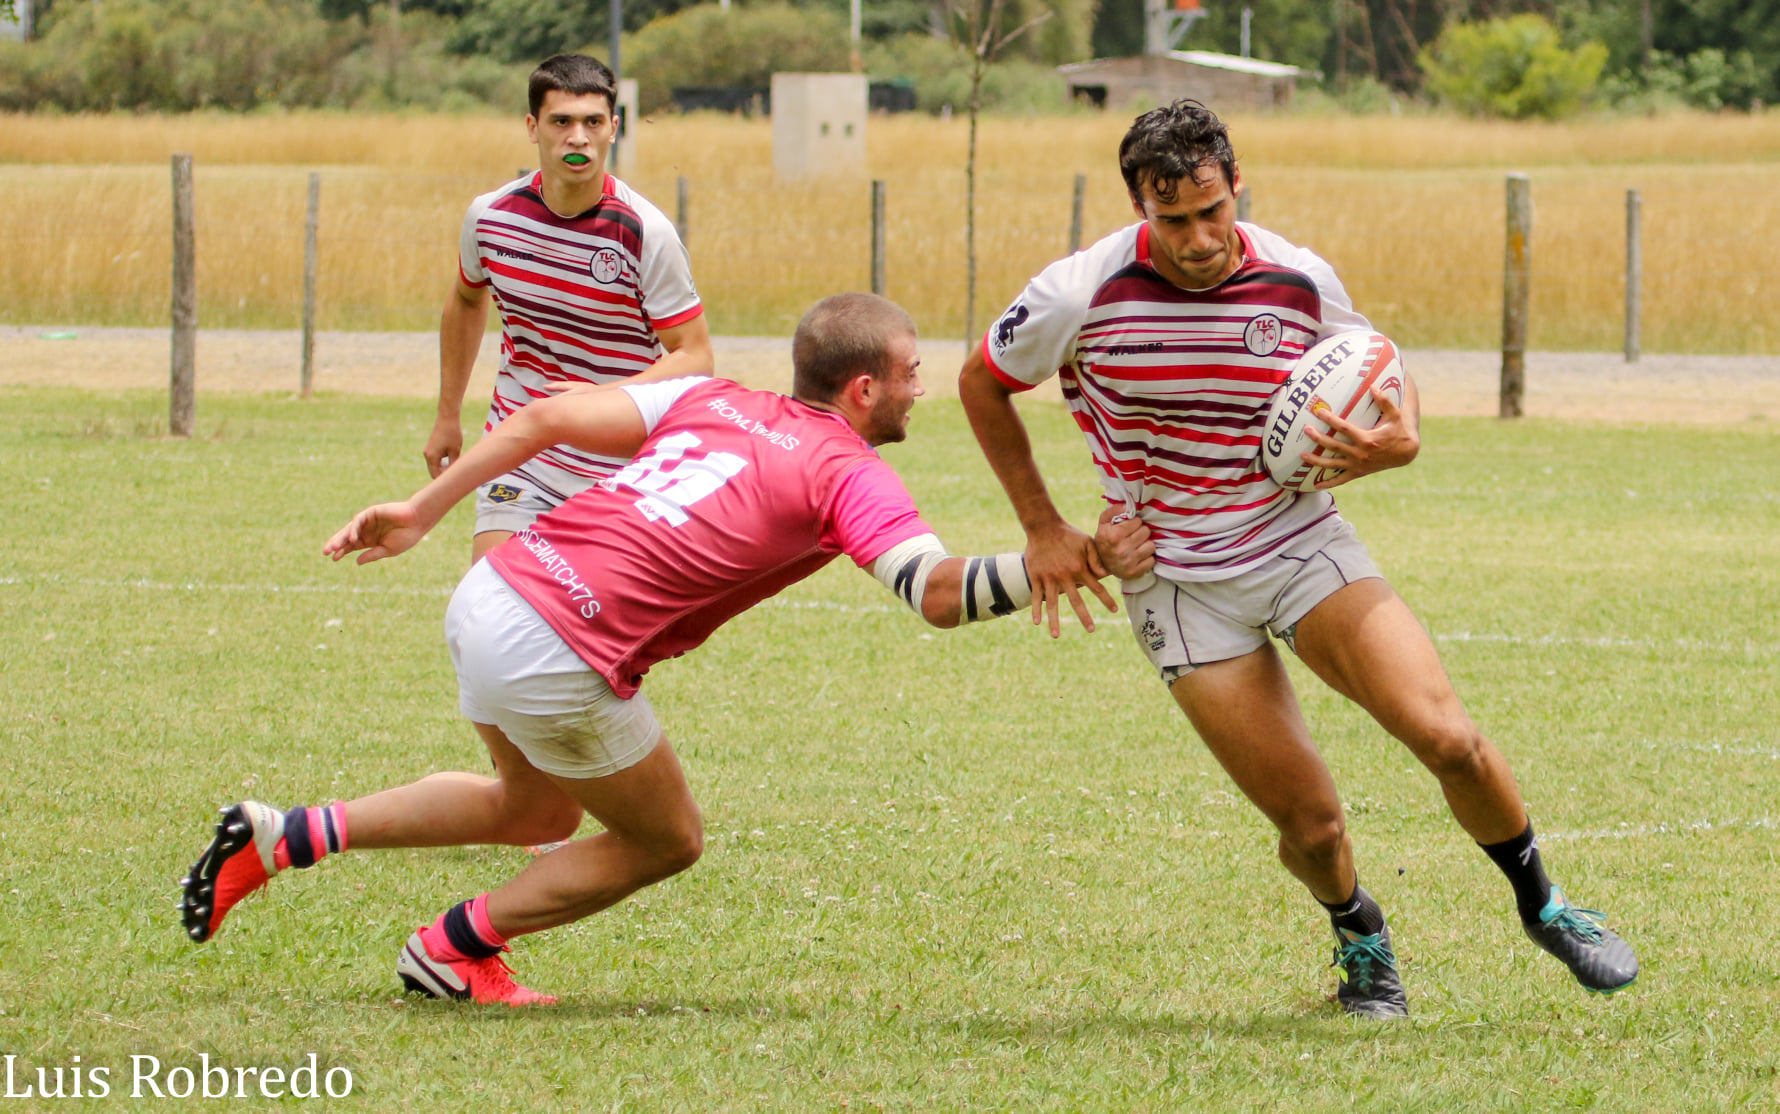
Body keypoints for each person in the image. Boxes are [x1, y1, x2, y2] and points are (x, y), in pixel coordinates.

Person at [957, 100, 1636, 1019]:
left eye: (1212, 211)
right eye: (1174, 221)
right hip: (1178, 583)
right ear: (1137, 208)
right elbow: (981, 382)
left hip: (1301, 541)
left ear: (1236, 184)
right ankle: (1359, 935)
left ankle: (1546, 906)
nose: (1199, 239)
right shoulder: (1078, 293)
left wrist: (1401, 439)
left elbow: (1372, 361)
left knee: (1450, 740)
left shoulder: (1296, 276)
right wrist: (1045, 528)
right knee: (1312, 829)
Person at [178, 294, 1053, 1006]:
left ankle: (282, 836)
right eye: (911, 376)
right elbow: (938, 596)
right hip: (557, 645)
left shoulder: (714, 396)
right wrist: (1058, 563)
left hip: (497, 588)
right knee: (667, 838)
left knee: (537, 813)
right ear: (864, 390)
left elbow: (548, 418)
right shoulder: (847, 472)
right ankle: (452, 949)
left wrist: (425, 507)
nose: (919, 391)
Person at [426, 52, 714, 566]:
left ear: (613, 129)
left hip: (620, 463)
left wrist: (603, 396)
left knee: (596, 631)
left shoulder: (646, 233)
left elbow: (694, 358)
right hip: (521, 452)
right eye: (561, 121)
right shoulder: (490, 217)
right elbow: (467, 298)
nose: (577, 137)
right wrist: (448, 414)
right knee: (489, 602)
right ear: (533, 127)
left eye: (592, 122)